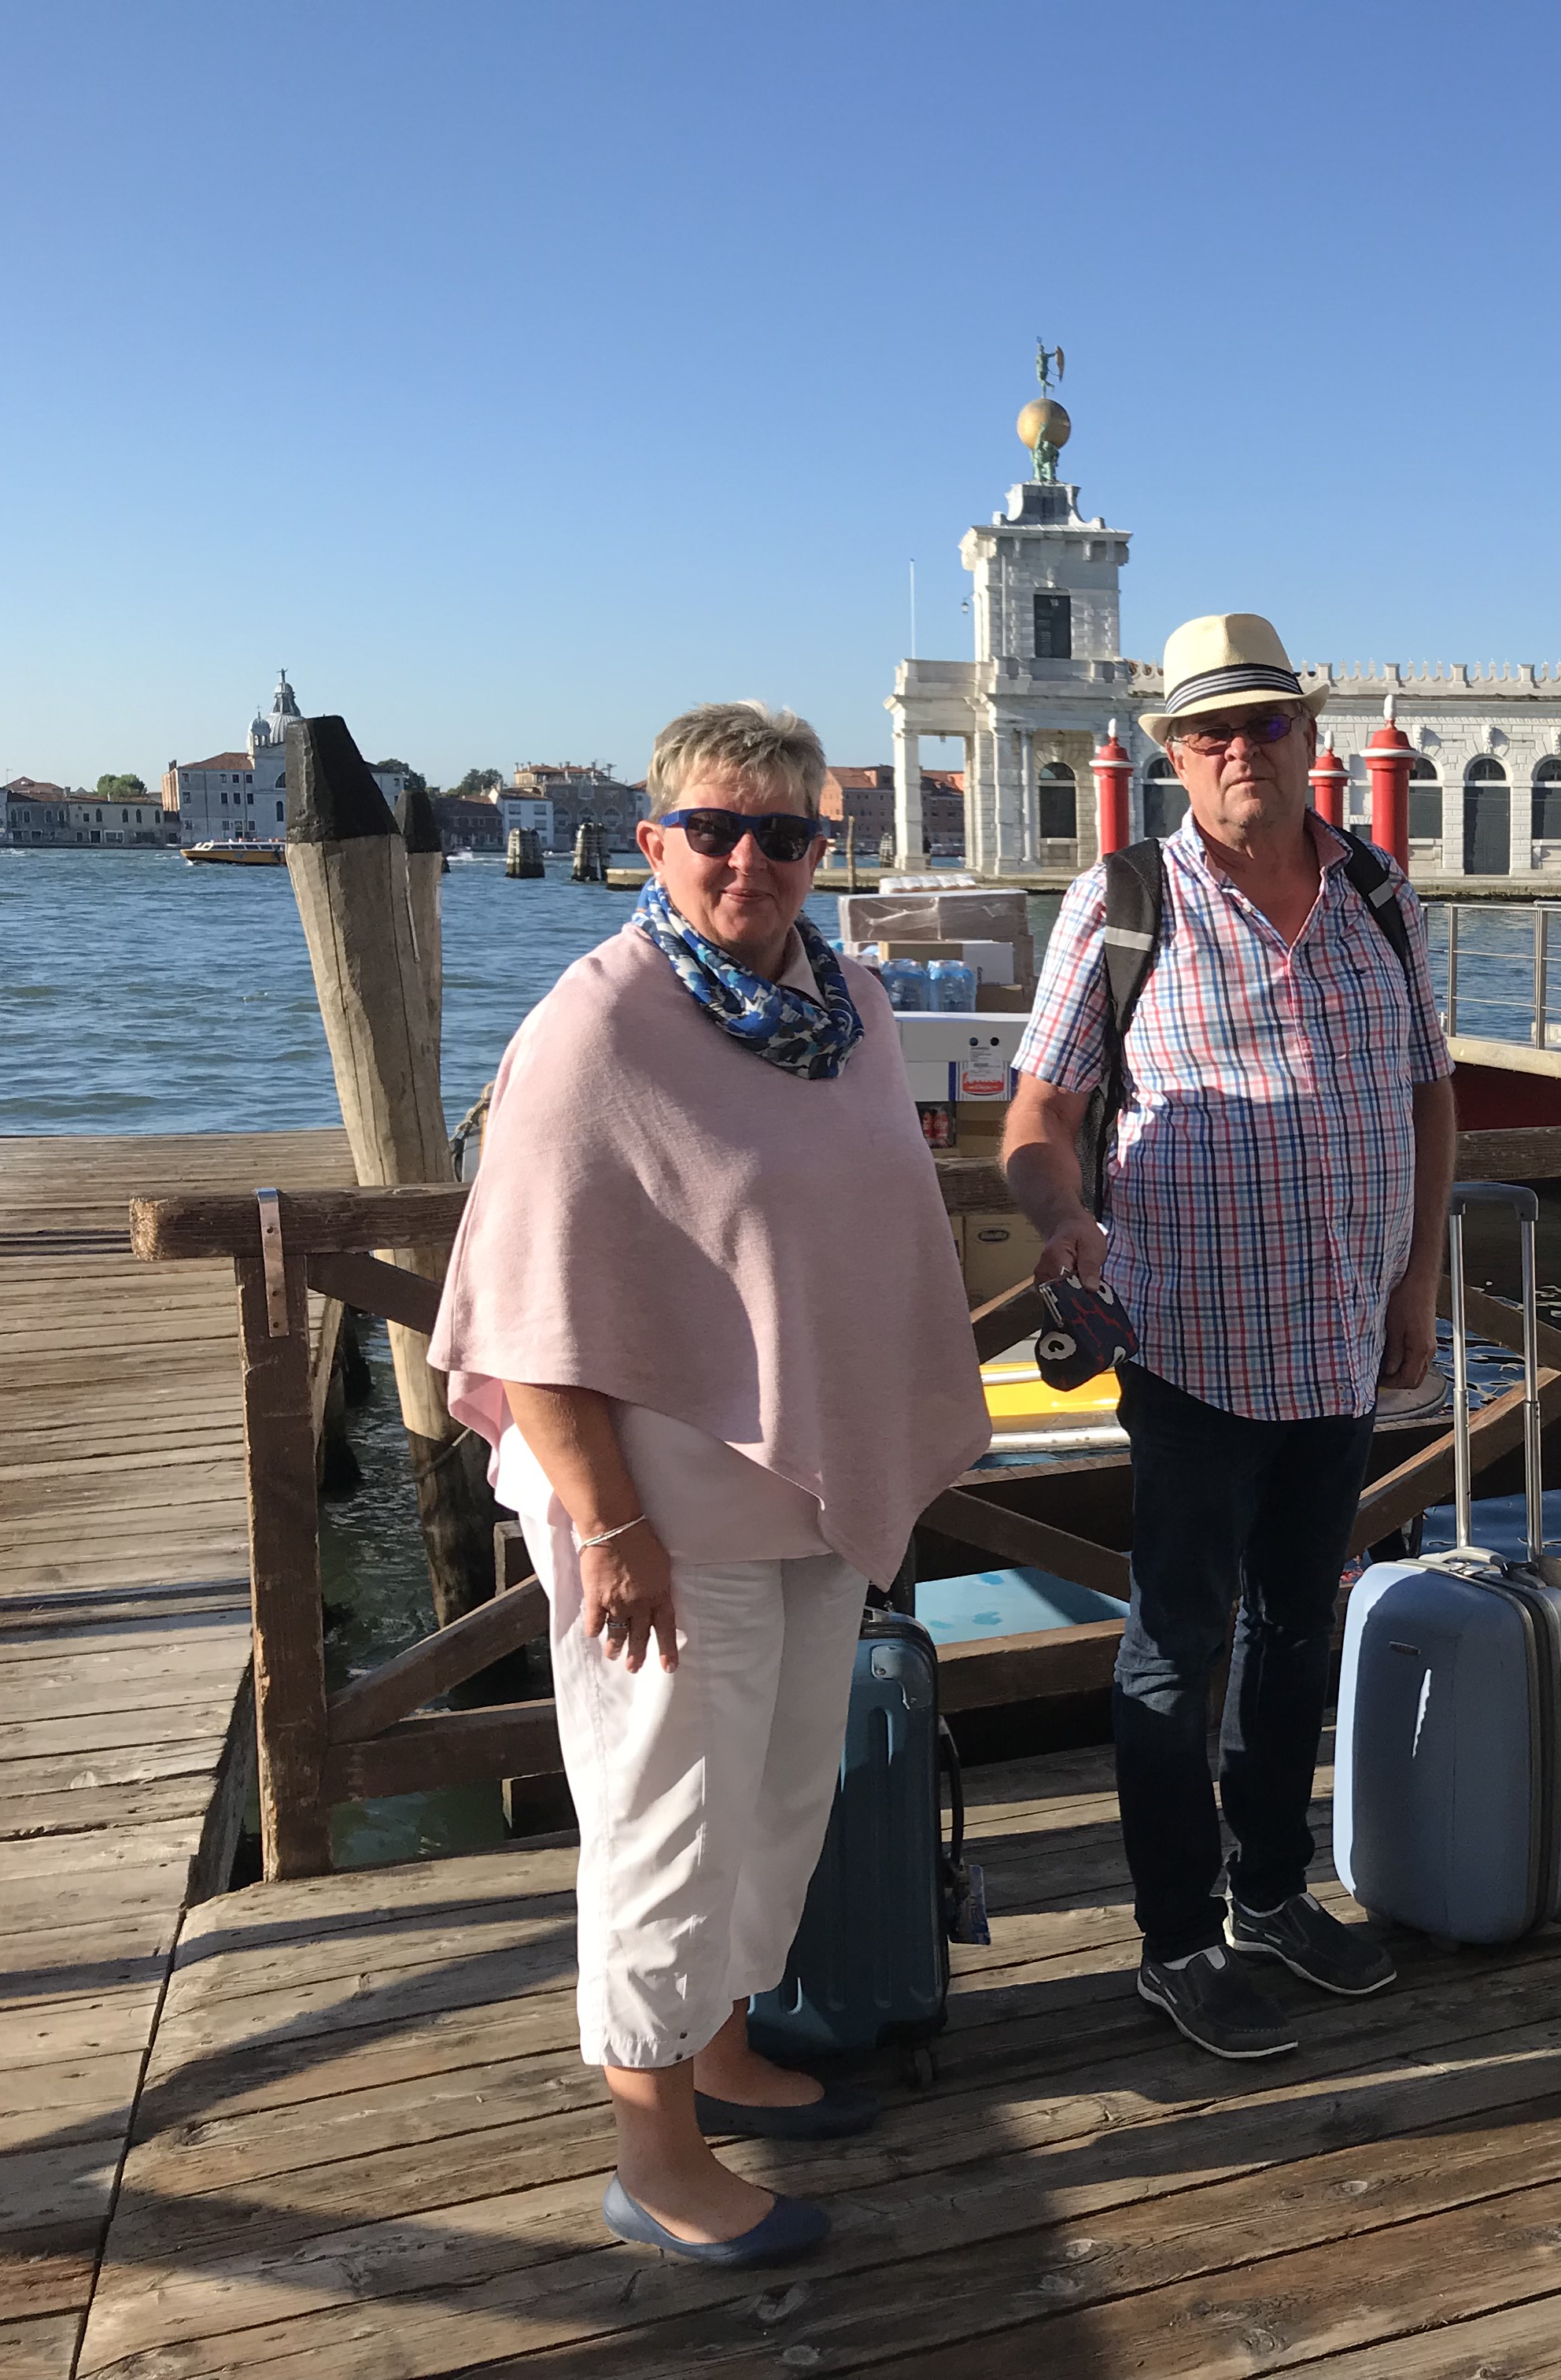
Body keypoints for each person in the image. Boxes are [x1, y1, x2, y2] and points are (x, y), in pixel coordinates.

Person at [433, 702, 992, 2267]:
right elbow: (526, 1305)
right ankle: (654, 2152)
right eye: (716, 830)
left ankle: (728, 2047)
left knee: (780, 1803)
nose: (752, 860)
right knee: (665, 1822)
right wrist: (610, 1525)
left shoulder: (848, 1004)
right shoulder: (597, 1027)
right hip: (663, 1516)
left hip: (809, 1496)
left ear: (824, 847)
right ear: (654, 840)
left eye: (786, 834)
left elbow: (869, 1236)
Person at [1002, 612, 1454, 2061]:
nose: (1241, 749)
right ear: (1177, 757)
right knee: (1172, 1645)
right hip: (1189, 1344)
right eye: (1212, 730)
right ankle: (1176, 1938)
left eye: (1265, 722)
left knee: (1296, 1628)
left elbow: (1429, 1093)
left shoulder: (1378, 892)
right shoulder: (1124, 901)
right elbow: (1039, 1114)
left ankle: (1270, 1891)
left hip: (1340, 1337)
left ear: (1308, 738)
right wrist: (1061, 1218)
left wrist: (1416, 1282)